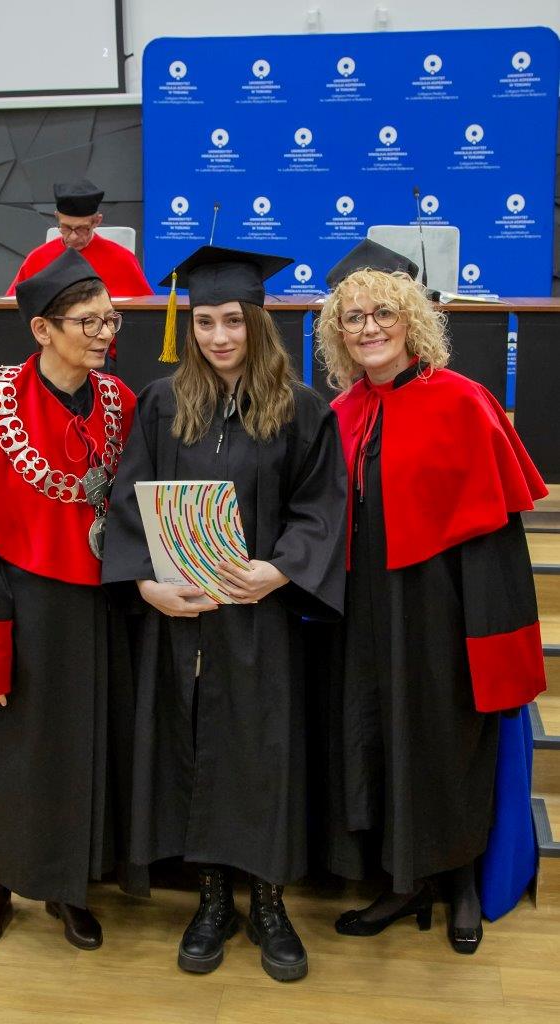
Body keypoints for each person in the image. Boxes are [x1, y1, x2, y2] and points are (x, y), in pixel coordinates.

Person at [101, 245, 347, 982]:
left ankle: (268, 902)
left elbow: (320, 507)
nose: (217, 336)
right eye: (204, 322)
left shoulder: (301, 410)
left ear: (258, 323)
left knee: (264, 750)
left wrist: (282, 569)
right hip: (182, 616)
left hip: (260, 614)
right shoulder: (162, 403)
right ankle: (211, 899)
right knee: (194, 745)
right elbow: (127, 499)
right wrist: (144, 584)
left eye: (232, 321)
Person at [314, 239, 547, 955]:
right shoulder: (343, 411)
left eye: (383, 313)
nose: (369, 328)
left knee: (447, 740)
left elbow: (495, 539)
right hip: (364, 609)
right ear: (338, 333)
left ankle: (462, 881)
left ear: (412, 319)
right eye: (354, 318)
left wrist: (490, 631)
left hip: (443, 608)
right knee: (380, 738)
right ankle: (404, 879)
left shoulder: (463, 402)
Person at [0, 248, 141, 951]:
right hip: (13, 609)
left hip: (94, 609)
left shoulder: (120, 402)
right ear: (43, 329)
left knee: (82, 747)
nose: (105, 333)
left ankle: (68, 887)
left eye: (111, 319)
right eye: (89, 322)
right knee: (7, 751)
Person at [6, 178, 153, 300]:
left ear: (97, 221)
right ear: (57, 217)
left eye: (82, 229)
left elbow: (147, 309)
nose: (73, 237)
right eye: (66, 227)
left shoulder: (121, 259)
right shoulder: (37, 258)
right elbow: (11, 305)